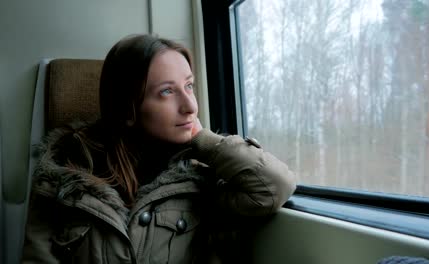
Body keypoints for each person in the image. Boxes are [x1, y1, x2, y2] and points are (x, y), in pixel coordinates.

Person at [22, 34, 296, 264]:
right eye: (167, 91)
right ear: (128, 107)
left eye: (189, 86)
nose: (190, 106)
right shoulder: (63, 178)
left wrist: (204, 140)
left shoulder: (201, 176)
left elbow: (273, 187)